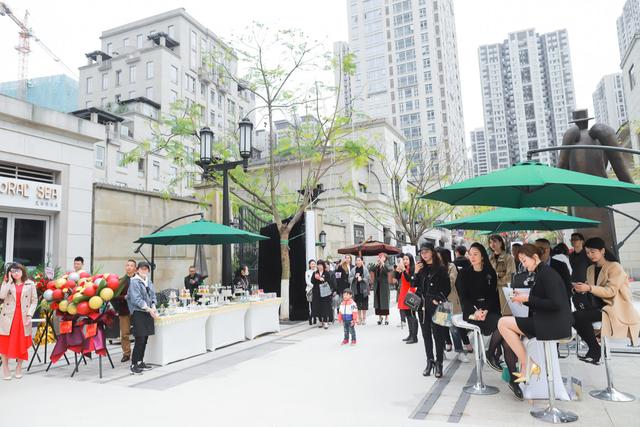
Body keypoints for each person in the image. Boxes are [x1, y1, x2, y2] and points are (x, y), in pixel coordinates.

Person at [498, 244, 573, 401]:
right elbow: (541, 301)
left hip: (552, 325)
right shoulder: (542, 273)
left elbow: (556, 303)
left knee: (503, 323)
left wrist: (528, 298)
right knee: (504, 324)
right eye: (521, 262)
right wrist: (524, 299)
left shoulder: (547, 274)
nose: (523, 265)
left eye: (524, 261)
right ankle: (527, 364)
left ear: (535, 257)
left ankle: (527, 364)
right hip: (548, 321)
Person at [572, 237, 640, 364]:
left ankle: (595, 350)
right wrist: (580, 288)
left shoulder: (615, 267)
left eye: (593, 252)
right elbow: (592, 288)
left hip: (613, 307)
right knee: (574, 316)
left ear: (602, 251)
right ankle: (595, 348)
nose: (590, 255)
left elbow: (611, 291)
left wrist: (589, 288)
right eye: (587, 252)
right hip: (596, 307)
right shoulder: (590, 269)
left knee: (578, 316)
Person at [456, 243, 504, 377]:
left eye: (475, 254)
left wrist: (486, 310)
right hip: (471, 311)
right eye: (470, 254)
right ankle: (492, 354)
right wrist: (475, 311)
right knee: (500, 325)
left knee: (503, 324)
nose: (472, 257)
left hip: (489, 309)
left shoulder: (490, 272)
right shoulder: (463, 273)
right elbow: (463, 298)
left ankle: (493, 354)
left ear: (482, 256)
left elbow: (493, 295)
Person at [415, 244, 451, 378]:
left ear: (432, 252)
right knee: (426, 335)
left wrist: (438, 299)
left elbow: (447, 288)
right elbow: (414, 286)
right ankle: (429, 361)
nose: (424, 254)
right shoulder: (420, 268)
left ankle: (439, 363)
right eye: (422, 252)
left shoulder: (441, 268)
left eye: (426, 251)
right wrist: (415, 273)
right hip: (423, 306)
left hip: (438, 306)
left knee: (439, 335)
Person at [0, 263, 38, 380]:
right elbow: (2, 296)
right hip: (8, 317)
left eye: (17, 271)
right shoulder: (7, 283)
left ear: (22, 271)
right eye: (12, 271)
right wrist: (8, 281)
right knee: (5, 342)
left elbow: (34, 301)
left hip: (23, 317)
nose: (15, 273)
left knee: (21, 342)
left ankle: (19, 367)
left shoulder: (30, 284)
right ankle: (5, 367)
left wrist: (30, 315)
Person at [436, 247, 472, 362]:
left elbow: (450, 282)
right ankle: (441, 352)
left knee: (454, 328)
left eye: (438, 255)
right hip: (439, 301)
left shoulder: (451, 267)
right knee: (440, 327)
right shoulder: (434, 267)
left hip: (450, 300)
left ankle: (459, 351)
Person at [126, 261, 159, 375]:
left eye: (146, 269)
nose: (144, 270)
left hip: (148, 312)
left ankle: (140, 362)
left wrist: (153, 306)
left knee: (145, 339)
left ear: (148, 270)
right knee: (139, 338)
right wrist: (149, 309)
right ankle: (134, 364)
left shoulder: (148, 281)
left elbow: (153, 295)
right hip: (139, 313)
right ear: (137, 270)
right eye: (142, 268)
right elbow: (136, 299)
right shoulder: (134, 282)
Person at [535, 238, 572, 304]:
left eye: (539, 249)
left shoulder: (561, 266)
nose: (536, 252)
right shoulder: (531, 267)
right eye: (534, 249)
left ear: (547, 250)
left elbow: (568, 288)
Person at [113, 259, 136, 363]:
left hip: (136, 309)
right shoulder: (121, 281)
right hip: (124, 310)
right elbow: (114, 296)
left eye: (131, 265)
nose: (129, 267)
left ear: (135, 268)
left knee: (139, 333)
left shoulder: (138, 280)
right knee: (124, 333)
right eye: (127, 265)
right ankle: (126, 353)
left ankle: (137, 353)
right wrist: (124, 297)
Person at [488, 235, 516, 316]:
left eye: (495, 241)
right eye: (490, 242)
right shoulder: (490, 258)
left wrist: (496, 279)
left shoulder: (508, 257)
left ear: (500, 243)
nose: (492, 244)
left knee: (506, 313)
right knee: (494, 314)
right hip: (492, 290)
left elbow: (511, 276)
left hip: (505, 289)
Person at [396, 253, 418, 343]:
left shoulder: (413, 269)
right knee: (408, 315)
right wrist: (398, 270)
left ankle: (414, 337)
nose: (405, 261)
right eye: (404, 259)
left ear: (410, 260)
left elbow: (409, 279)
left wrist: (404, 270)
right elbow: (397, 277)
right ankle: (410, 334)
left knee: (412, 315)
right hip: (404, 292)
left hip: (410, 293)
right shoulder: (404, 268)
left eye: (407, 259)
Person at [311, 260, 334, 329]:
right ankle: (320, 321)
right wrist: (316, 278)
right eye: (318, 265)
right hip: (317, 292)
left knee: (325, 306)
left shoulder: (326, 273)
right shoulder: (315, 273)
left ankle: (325, 321)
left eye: (321, 265)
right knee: (318, 306)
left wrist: (323, 279)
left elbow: (329, 282)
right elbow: (312, 281)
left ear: (323, 266)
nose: (319, 266)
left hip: (325, 292)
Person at [349, 256, 370, 325]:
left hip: (364, 289)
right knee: (357, 304)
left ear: (362, 261)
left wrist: (362, 279)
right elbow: (349, 278)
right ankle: (359, 318)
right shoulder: (353, 270)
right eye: (357, 260)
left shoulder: (365, 269)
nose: (358, 262)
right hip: (356, 289)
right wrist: (355, 278)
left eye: (359, 260)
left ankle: (364, 318)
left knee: (364, 304)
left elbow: (368, 278)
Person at [372, 253, 391, 325]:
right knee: (378, 301)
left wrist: (383, 264)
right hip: (377, 286)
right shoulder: (377, 266)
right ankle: (380, 317)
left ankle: (386, 318)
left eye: (382, 257)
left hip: (384, 286)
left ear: (385, 258)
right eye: (379, 257)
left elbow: (388, 271)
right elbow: (372, 270)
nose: (380, 258)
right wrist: (377, 264)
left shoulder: (387, 265)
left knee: (385, 302)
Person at [305, 260, 317, 325]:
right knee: (311, 305)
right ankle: (311, 318)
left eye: (314, 264)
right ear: (309, 265)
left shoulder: (317, 272)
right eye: (312, 264)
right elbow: (307, 281)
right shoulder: (307, 272)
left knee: (315, 305)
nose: (313, 265)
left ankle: (315, 318)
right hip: (310, 290)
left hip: (316, 290)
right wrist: (313, 286)